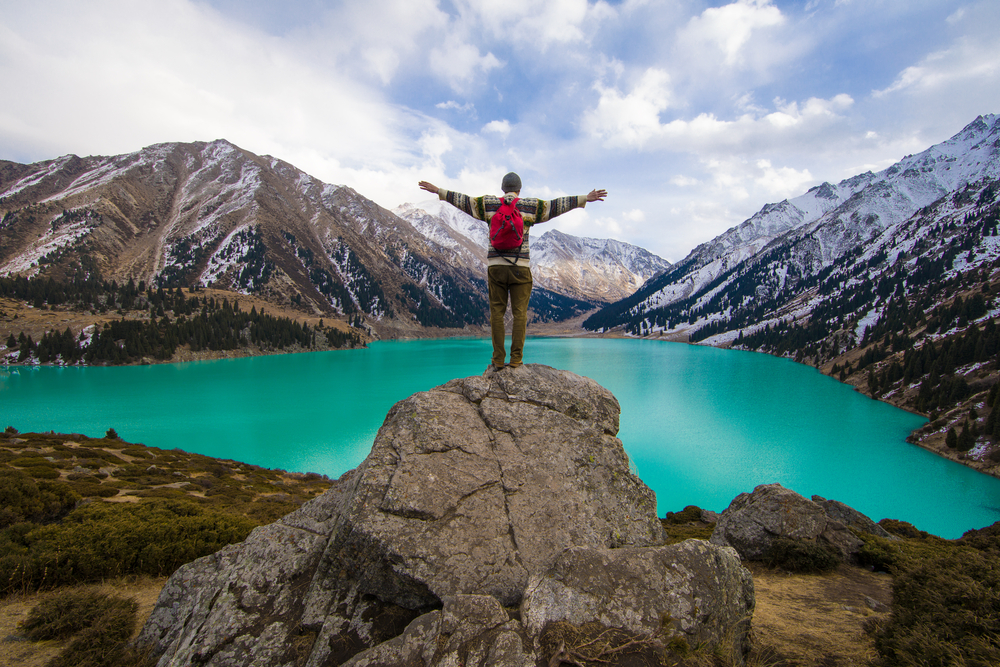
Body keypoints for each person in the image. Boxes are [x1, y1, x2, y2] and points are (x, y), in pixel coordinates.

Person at [418, 173, 607, 371]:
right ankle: (516, 360)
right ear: (519, 189)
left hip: (496, 268)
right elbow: (555, 206)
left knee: (497, 315)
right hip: (520, 268)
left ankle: (498, 359)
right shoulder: (529, 206)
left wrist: (439, 191)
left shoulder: (488, 204)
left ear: (502, 188)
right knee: (520, 315)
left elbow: (464, 201)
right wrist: (584, 198)